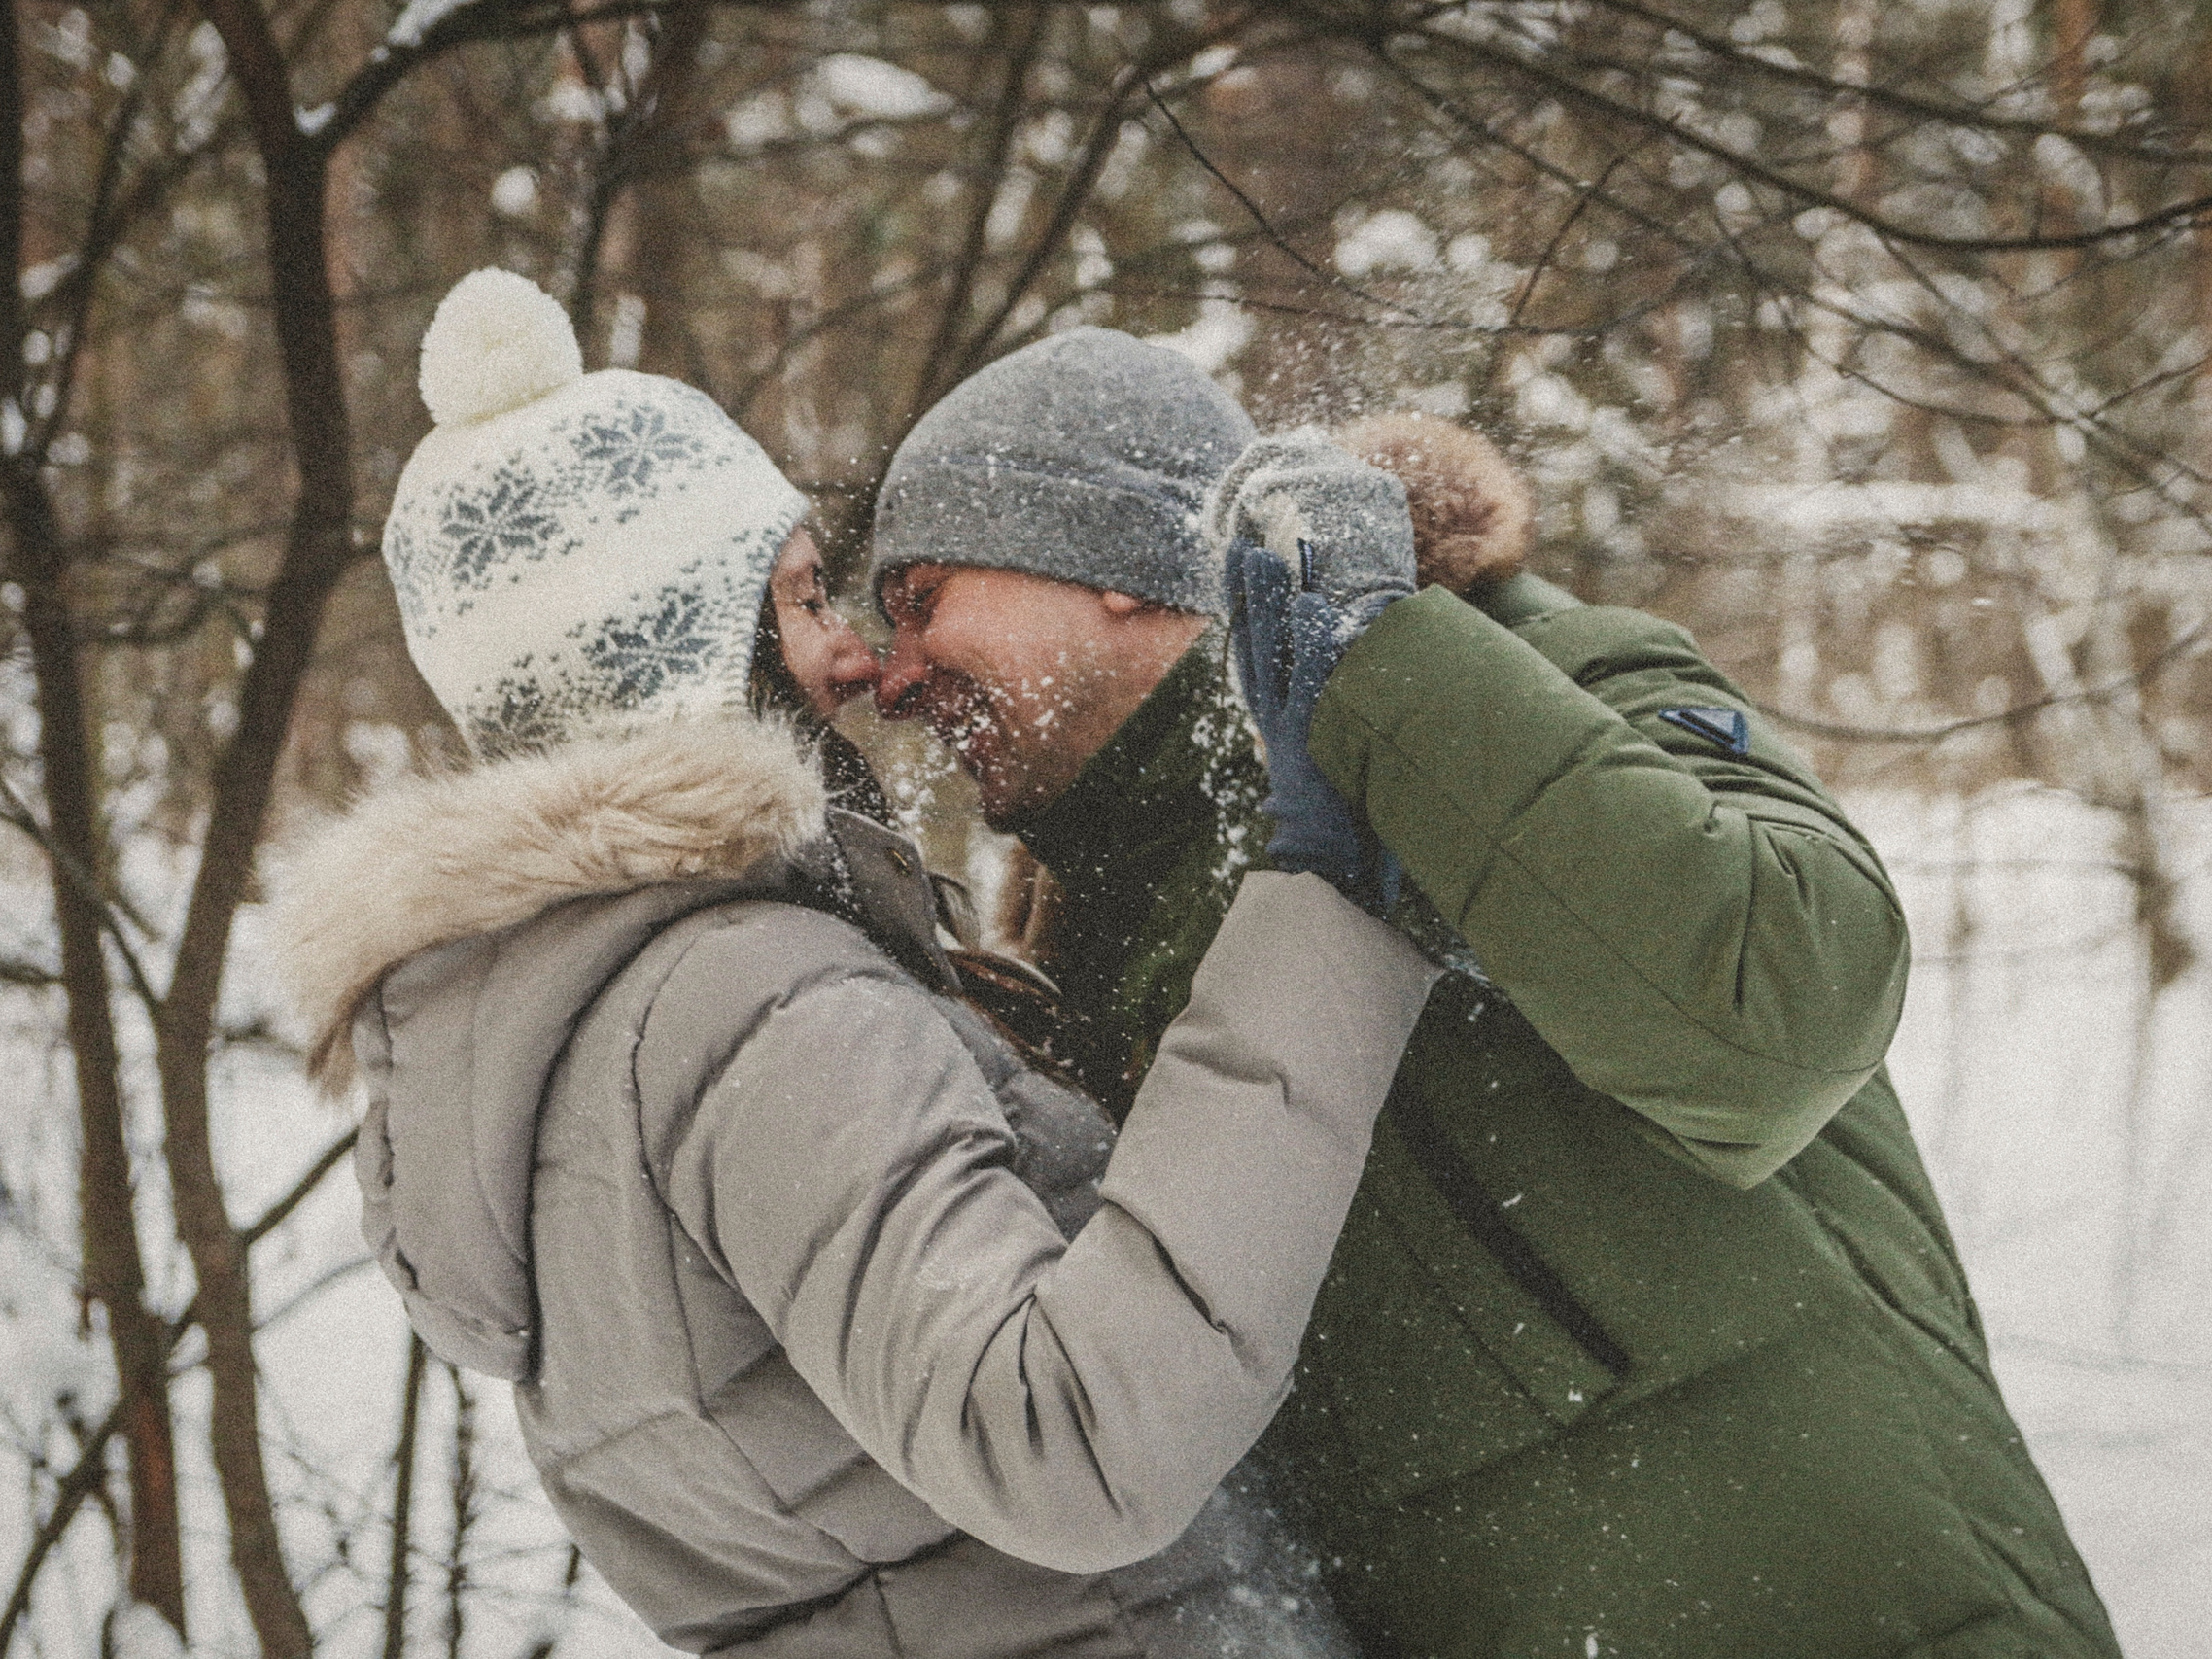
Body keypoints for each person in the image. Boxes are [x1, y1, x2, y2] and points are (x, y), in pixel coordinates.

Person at [868, 329, 2126, 1659]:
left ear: (1120, 566)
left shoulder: (1537, 665)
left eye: (924, 597)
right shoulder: (1090, 956)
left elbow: (1784, 1003)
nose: (894, 677)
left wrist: (1378, 672)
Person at [274, 271, 1444, 1657]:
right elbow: (1069, 1439)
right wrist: (1327, 900)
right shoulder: (741, 1001)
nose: (853, 658)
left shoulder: (561, 1042)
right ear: (673, 650)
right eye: (801, 596)